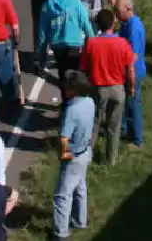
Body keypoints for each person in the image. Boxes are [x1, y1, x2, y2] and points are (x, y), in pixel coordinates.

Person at [80, 9, 135, 166]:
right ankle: (111, 159)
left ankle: (86, 157)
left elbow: (84, 68)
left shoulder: (91, 43)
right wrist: (131, 87)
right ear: (113, 23)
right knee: (114, 125)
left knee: (94, 123)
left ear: (97, 24)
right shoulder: (122, 44)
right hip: (117, 88)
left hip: (97, 88)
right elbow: (130, 68)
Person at [51, 71, 96, 240]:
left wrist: (63, 152)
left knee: (62, 195)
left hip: (73, 156)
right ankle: (80, 221)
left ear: (73, 89)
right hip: (85, 151)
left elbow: (64, 137)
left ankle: (61, 233)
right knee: (80, 188)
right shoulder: (90, 102)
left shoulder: (71, 110)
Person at [116, 0, 146, 149]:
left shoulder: (133, 27)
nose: (116, 13)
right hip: (128, 71)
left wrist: (129, 76)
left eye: (118, 10)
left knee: (133, 104)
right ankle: (125, 131)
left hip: (133, 72)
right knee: (127, 104)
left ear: (128, 9)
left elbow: (132, 56)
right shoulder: (126, 23)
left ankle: (138, 139)